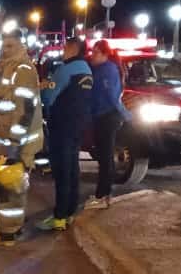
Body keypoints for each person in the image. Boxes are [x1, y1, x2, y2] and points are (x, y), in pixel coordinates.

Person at [0, 31, 42, 245]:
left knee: (12, 189)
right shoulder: (8, 68)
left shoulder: (23, 70)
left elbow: (25, 112)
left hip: (16, 144)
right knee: (6, 188)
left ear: (20, 46)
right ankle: (9, 228)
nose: (4, 49)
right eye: (3, 45)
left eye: (10, 45)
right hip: (6, 143)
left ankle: (8, 232)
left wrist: (15, 147)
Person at [38, 38, 93, 232]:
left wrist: (44, 87)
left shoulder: (65, 70)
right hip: (79, 125)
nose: (62, 52)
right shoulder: (87, 69)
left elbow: (48, 97)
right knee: (72, 169)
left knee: (62, 171)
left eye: (65, 48)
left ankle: (59, 217)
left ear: (71, 48)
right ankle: (70, 212)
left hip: (62, 125)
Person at [88, 39, 132, 208]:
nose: (93, 55)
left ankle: (102, 195)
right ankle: (104, 195)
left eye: (96, 52)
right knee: (104, 157)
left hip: (107, 116)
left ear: (105, 54)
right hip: (102, 116)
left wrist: (125, 115)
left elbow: (112, 97)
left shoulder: (108, 71)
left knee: (106, 158)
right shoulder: (99, 69)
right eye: (93, 51)